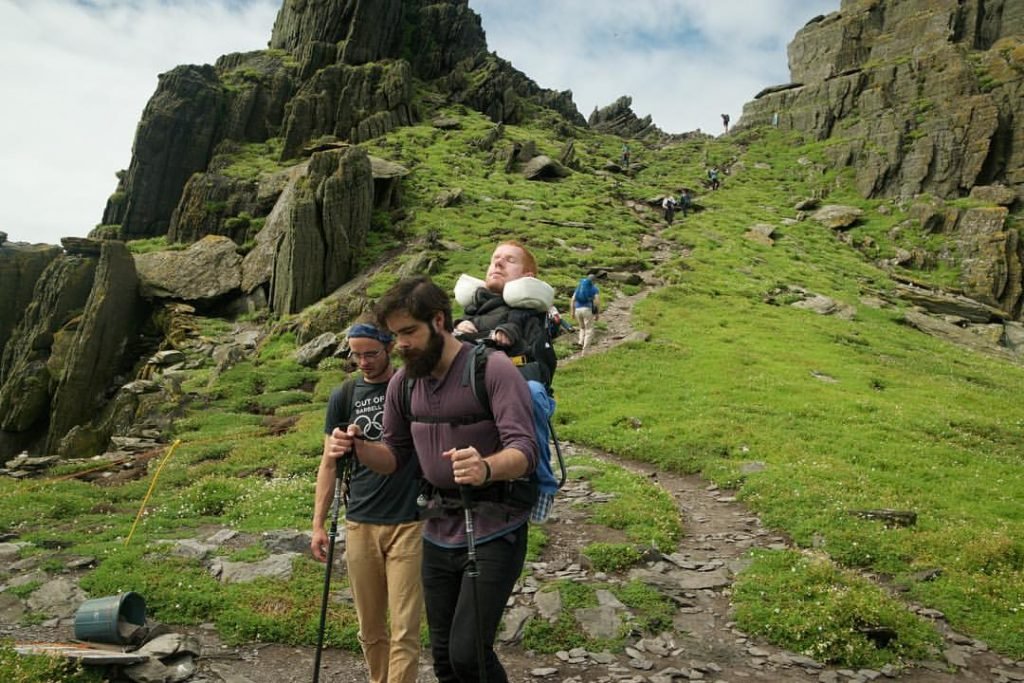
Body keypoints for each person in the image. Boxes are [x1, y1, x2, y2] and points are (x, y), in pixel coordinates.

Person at [329, 275, 538, 683]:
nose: (401, 344)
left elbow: (525, 450)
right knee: (443, 658)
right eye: (395, 335)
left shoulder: (491, 369)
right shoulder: (403, 385)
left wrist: (487, 467)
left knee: (467, 653)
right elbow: (393, 457)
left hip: (495, 528)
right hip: (437, 529)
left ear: (439, 321)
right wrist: (356, 447)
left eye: (409, 332)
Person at [311, 319, 423, 683]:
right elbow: (329, 462)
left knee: (405, 628)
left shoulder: (410, 385)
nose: (363, 361)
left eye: (371, 353)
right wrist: (317, 525)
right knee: (370, 628)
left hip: (410, 521)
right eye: (355, 354)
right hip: (360, 520)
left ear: (389, 347)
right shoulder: (343, 396)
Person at [453, 240, 556, 386]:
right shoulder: (471, 311)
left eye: (510, 260)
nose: (498, 264)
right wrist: (458, 327)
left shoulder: (532, 318)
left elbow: (539, 372)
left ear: (528, 277)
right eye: (495, 259)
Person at [570, 274, 600, 354]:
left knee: (582, 328)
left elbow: (573, 299)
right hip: (587, 310)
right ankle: (585, 350)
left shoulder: (579, 287)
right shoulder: (594, 289)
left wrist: (572, 312)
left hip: (577, 310)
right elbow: (597, 302)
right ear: (593, 281)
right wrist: (597, 313)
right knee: (589, 330)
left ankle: (580, 342)